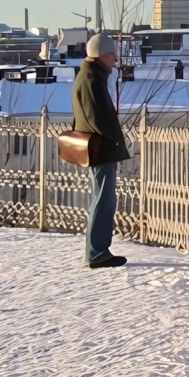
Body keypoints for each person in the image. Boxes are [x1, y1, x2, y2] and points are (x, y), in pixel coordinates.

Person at [72, 32, 131, 268]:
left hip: (96, 146)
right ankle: (97, 252)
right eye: (112, 55)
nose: (115, 60)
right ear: (102, 55)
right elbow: (99, 117)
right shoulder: (91, 79)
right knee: (103, 199)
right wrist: (116, 140)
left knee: (101, 197)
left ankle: (97, 250)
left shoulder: (88, 75)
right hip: (101, 147)